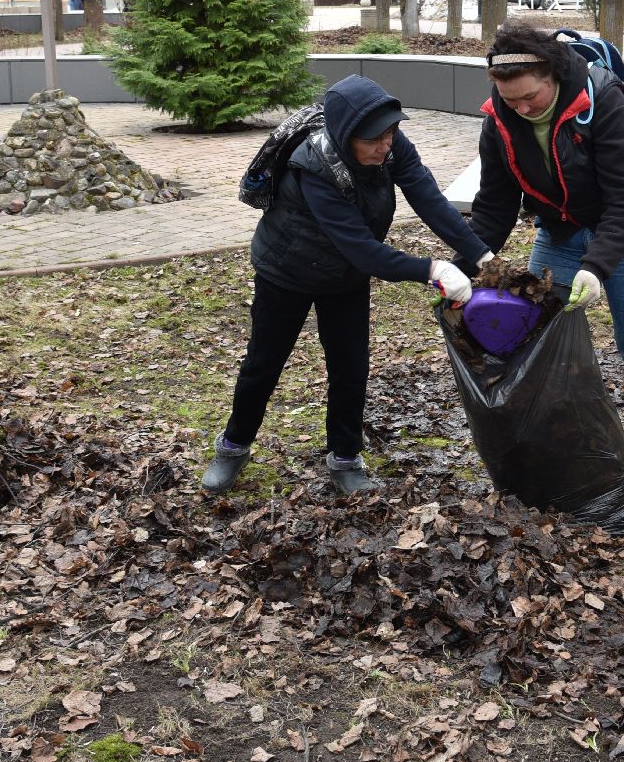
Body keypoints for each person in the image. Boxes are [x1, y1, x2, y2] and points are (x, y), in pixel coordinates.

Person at [202, 75, 494, 497]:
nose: (385, 145)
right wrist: (434, 269)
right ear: (344, 136)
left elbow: (429, 199)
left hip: (345, 278)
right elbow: (364, 250)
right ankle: (232, 448)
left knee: (350, 366)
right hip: (287, 271)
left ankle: (344, 456)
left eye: (391, 132)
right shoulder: (313, 165)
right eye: (373, 138)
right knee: (264, 364)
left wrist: (481, 255)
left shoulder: (393, 146)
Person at [466, 25, 624, 509]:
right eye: (508, 99)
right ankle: (560, 448)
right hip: (558, 232)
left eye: (529, 97)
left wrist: (597, 267)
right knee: (536, 341)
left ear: (553, 75)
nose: (521, 108)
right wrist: (466, 263)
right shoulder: (499, 119)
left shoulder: (602, 100)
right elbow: (495, 203)